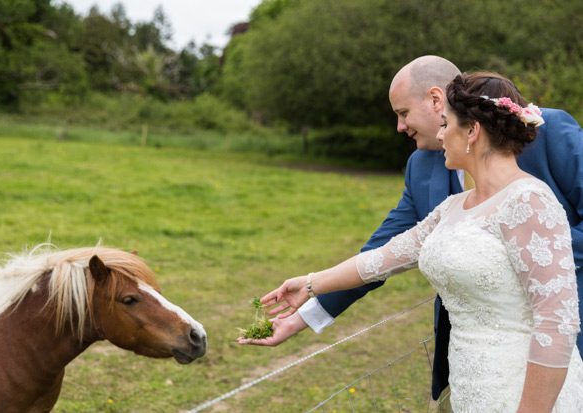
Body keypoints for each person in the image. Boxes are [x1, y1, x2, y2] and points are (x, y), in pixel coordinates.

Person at [239, 56, 583, 402]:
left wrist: (547, 260)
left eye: (403, 113)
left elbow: (555, 310)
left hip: (550, 353)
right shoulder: (430, 176)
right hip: (471, 372)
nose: (401, 127)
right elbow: (383, 254)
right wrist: (309, 292)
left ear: (442, 105)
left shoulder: (543, 138)